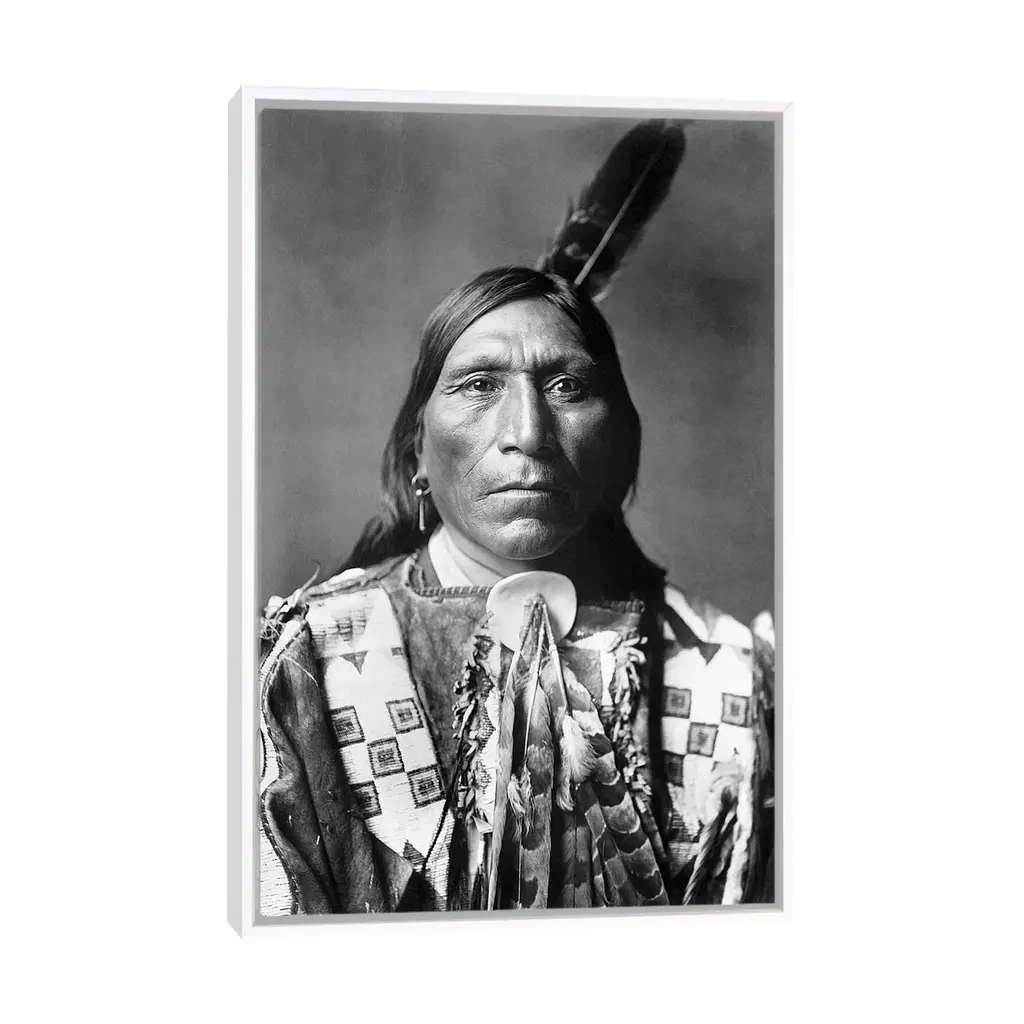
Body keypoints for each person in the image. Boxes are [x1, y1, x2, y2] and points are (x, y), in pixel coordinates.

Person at [258, 265, 775, 916]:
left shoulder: (728, 675)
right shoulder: (305, 667)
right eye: (479, 385)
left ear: (619, 443)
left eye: (567, 386)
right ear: (419, 452)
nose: (528, 433)